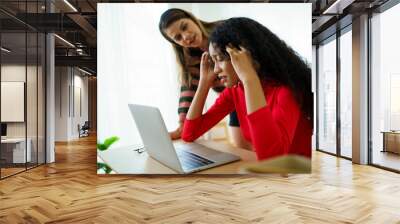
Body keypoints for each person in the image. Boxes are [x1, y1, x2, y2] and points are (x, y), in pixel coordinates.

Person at [181, 17, 313, 160]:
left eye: (219, 59)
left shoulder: (286, 92)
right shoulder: (235, 90)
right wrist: (203, 84)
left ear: (245, 55)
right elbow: (189, 134)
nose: (216, 70)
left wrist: (249, 77)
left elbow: (273, 158)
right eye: (214, 61)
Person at [159, 8, 251, 149]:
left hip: (253, 89)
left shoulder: (224, 29)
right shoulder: (192, 59)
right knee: (241, 146)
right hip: (234, 97)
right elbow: (189, 89)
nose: (186, 36)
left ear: (193, 19)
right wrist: (182, 124)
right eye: (178, 37)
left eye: (185, 27)